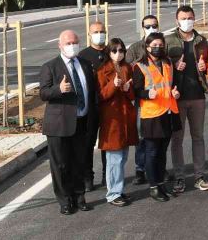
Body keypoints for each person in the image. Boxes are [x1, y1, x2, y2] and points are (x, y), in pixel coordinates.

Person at [40, 30, 96, 214]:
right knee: (61, 164)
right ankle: (65, 201)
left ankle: (79, 197)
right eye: (68, 43)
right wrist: (59, 89)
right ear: (60, 46)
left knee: (79, 162)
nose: (72, 46)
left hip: (81, 121)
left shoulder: (86, 65)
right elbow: (43, 93)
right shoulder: (50, 66)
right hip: (59, 125)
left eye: (75, 42)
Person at [165, 5, 208, 193]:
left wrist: (204, 67)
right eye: (183, 18)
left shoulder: (201, 40)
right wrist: (174, 66)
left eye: (190, 18)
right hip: (177, 97)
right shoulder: (169, 41)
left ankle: (199, 176)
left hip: (198, 96)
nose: (187, 21)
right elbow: (160, 65)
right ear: (177, 21)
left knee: (198, 137)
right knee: (177, 138)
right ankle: (179, 178)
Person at [132, 32, 181, 202]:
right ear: (147, 47)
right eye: (154, 45)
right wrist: (146, 93)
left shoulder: (167, 63)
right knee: (152, 152)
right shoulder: (140, 66)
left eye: (161, 45)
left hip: (168, 111)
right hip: (151, 114)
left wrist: (174, 92)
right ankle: (153, 187)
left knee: (162, 152)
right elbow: (135, 92)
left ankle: (160, 183)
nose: (158, 48)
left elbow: (169, 84)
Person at [96, 38, 138, 206]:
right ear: (109, 52)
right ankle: (113, 194)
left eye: (121, 50)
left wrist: (128, 90)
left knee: (123, 157)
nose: (118, 54)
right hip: (112, 118)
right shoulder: (102, 70)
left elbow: (132, 95)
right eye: (114, 51)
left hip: (126, 117)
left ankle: (118, 190)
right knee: (114, 157)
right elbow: (101, 95)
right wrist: (113, 85)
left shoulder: (127, 68)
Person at [125, 15, 159, 185]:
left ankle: (158, 168)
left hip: (160, 101)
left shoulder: (161, 44)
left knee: (158, 137)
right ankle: (140, 169)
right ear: (142, 28)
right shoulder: (135, 48)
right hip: (142, 100)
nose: (151, 29)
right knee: (142, 136)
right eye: (148, 26)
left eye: (154, 25)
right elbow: (127, 69)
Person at [78, 21, 107, 191]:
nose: (99, 34)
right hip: (89, 108)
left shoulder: (112, 52)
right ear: (89, 35)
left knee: (108, 143)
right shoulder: (83, 56)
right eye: (95, 32)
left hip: (109, 106)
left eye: (102, 31)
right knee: (87, 144)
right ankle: (87, 177)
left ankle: (107, 174)